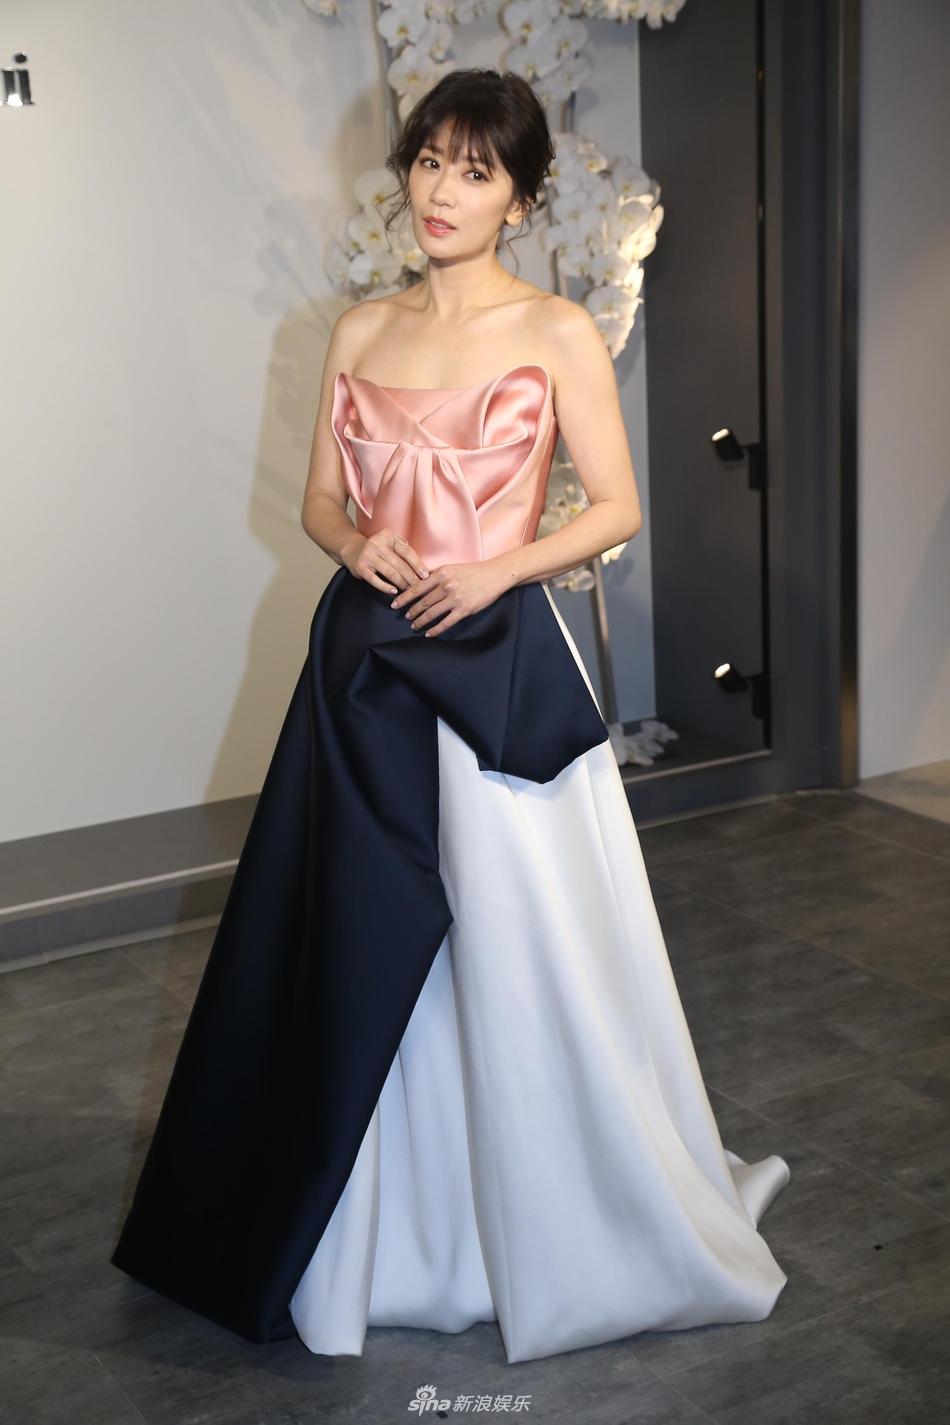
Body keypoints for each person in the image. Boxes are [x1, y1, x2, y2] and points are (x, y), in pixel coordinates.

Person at [111, 66, 790, 1366]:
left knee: (518, 951)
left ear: (519, 200)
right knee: (350, 943)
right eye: (429, 160)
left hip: (494, 671)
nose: (441, 189)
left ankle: (545, 1213)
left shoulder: (555, 330)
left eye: (476, 171)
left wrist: (495, 568)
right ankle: (370, 1223)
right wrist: (353, 543)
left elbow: (616, 507)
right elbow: (320, 501)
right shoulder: (360, 330)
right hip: (363, 670)